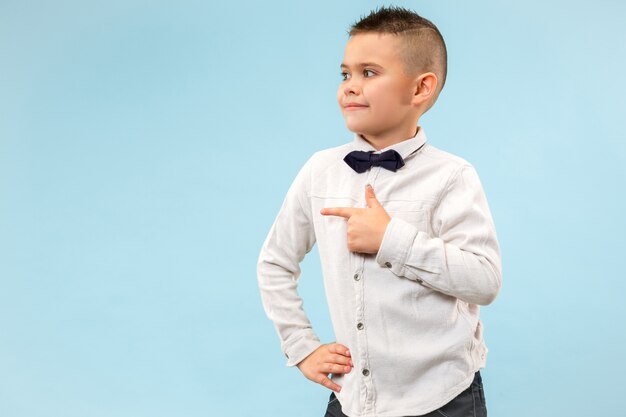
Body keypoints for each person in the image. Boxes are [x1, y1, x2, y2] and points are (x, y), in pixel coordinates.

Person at [257, 6, 501, 417]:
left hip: (443, 398)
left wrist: (392, 240)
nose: (350, 87)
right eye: (345, 74)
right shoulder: (320, 171)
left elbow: (484, 280)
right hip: (353, 400)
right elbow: (274, 263)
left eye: (369, 73)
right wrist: (301, 347)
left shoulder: (452, 177)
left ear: (420, 88)